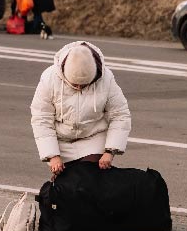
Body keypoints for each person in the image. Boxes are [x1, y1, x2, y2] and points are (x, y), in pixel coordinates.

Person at [30, 41, 132, 178]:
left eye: (84, 85)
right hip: (61, 141)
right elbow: (41, 118)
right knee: (66, 186)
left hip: (93, 138)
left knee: (87, 178)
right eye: (74, 84)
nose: (79, 88)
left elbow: (120, 115)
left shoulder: (106, 79)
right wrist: (53, 155)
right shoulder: (49, 78)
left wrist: (110, 151)